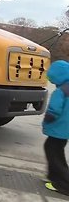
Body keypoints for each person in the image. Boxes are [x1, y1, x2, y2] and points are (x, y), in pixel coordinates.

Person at [42, 60, 69, 195]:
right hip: (64, 130)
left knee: (54, 154)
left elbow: (54, 110)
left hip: (58, 128)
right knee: (55, 151)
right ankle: (53, 177)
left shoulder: (61, 91)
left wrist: (47, 120)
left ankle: (63, 184)